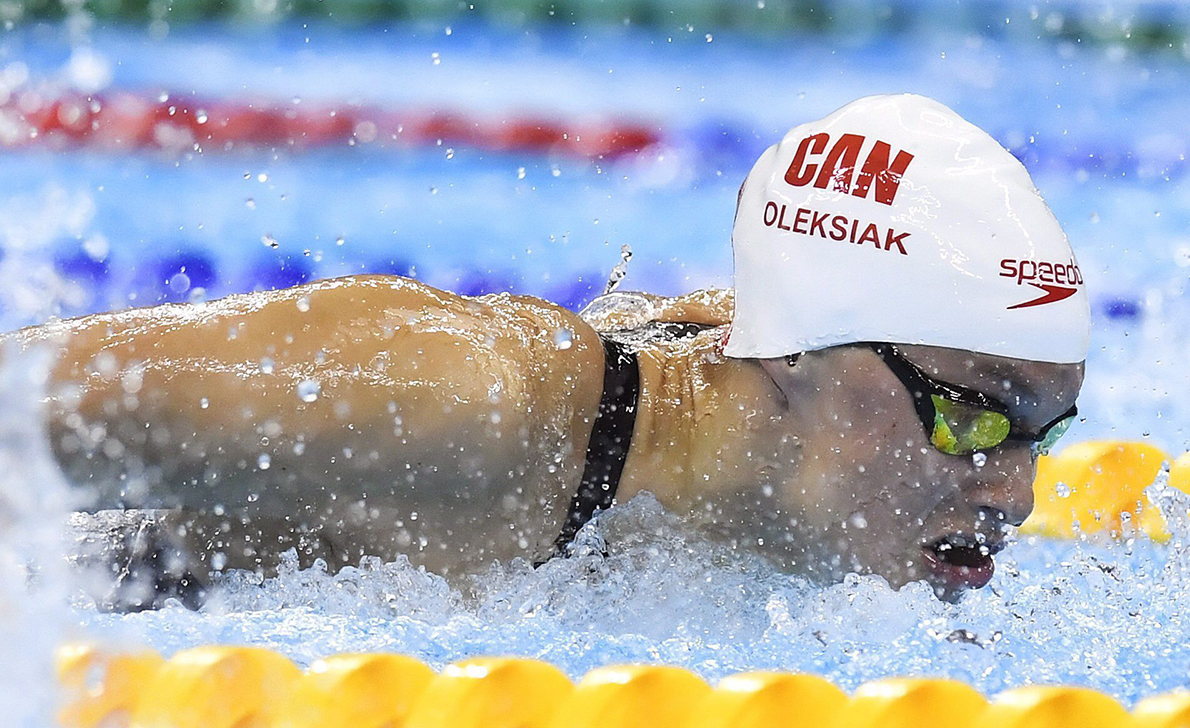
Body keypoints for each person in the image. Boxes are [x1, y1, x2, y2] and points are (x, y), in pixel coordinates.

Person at [16, 94, 1088, 607]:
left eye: (1041, 430)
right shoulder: (456, 398)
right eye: (974, 411)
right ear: (795, 353)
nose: (1015, 491)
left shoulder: (775, 426)